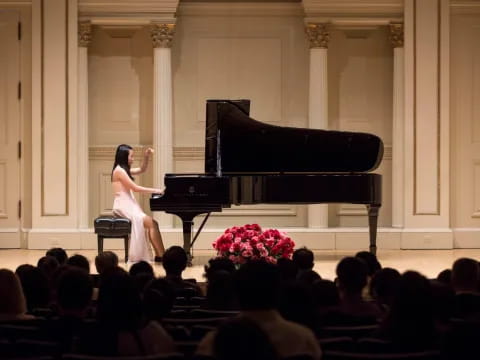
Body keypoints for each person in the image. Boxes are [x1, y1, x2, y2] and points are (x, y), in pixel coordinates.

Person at [111, 144, 165, 263]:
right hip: (123, 206)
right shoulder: (119, 171)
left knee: (153, 223)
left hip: (128, 204)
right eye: (131, 156)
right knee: (152, 223)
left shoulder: (123, 170)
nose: (133, 159)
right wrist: (157, 190)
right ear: (124, 157)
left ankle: (160, 255)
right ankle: (162, 255)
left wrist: (146, 156)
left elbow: (142, 169)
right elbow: (135, 188)